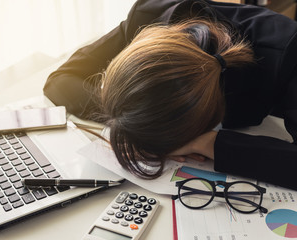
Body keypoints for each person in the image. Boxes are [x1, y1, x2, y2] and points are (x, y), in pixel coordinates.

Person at [43, 0, 297, 190]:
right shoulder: (149, 18)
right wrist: (133, 119)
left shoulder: (290, 53)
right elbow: (60, 81)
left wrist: (206, 143)